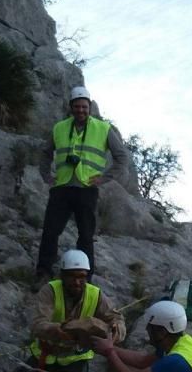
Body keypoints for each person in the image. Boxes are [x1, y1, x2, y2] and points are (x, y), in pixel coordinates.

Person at [35, 86, 129, 282]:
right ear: (71, 107)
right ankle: (43, 272)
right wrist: (46, 175)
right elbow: (45, 153)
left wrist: (104, 178)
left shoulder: (103, 128)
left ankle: (86, 277)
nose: (81, 110)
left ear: (90, 107)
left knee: (86, 235)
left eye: (84, 107)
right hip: (61, 188)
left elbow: (121, 157)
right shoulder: (60, 127)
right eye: (77, 106)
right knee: (50, 231)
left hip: (87, 189)